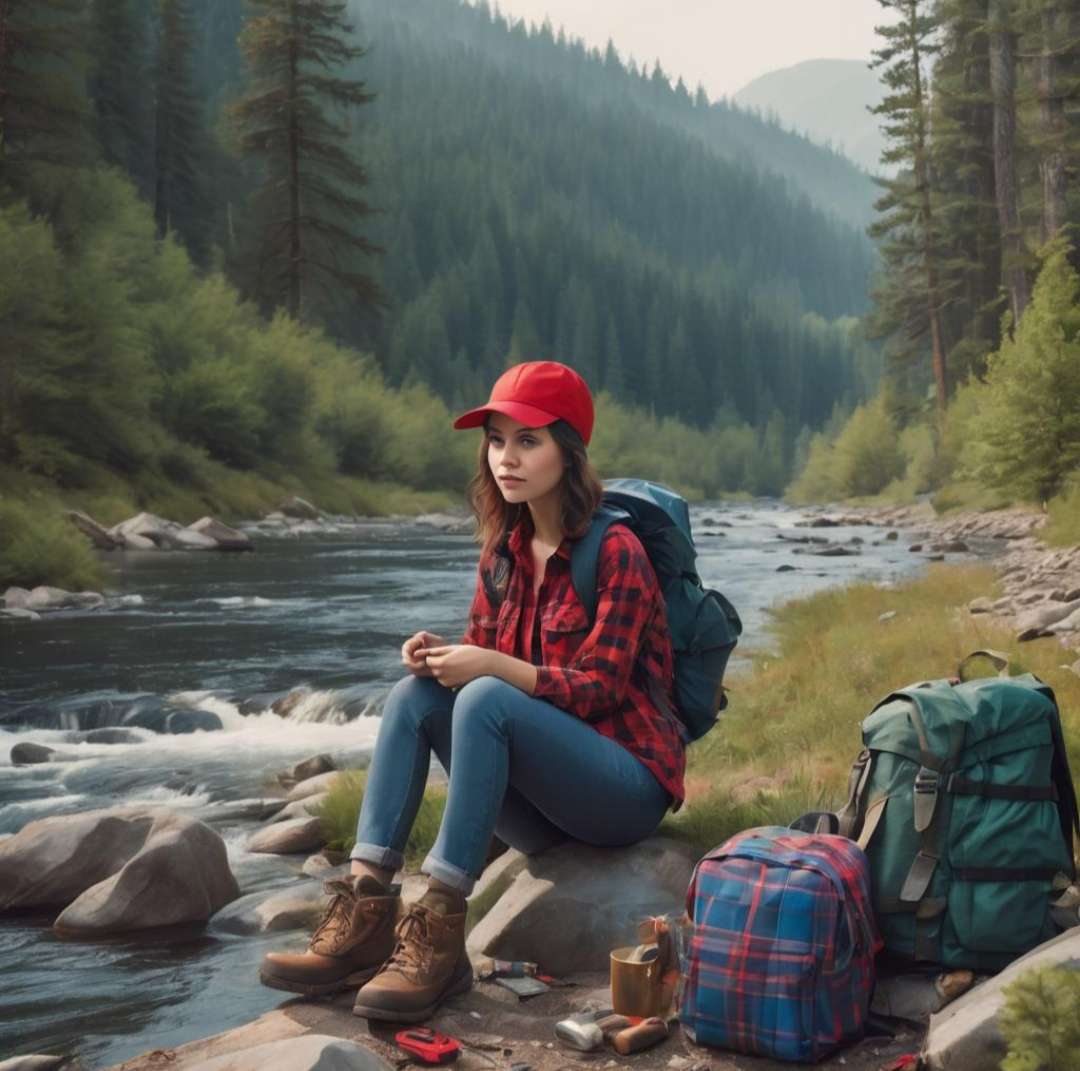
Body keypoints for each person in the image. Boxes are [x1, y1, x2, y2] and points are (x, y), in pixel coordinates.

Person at [259, 360, 686, 1023]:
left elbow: (599, 689)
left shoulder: (616, 550)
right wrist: (437, 656)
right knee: (415, 696)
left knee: (485, 694)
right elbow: (479, 667)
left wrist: (489, 666)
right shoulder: (503, 553)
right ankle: (368, 913)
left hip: (622, 788)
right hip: (544, 806)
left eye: (527, 440)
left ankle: (439, 926)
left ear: (569, 450)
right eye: (495, 439)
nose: (505, 458)